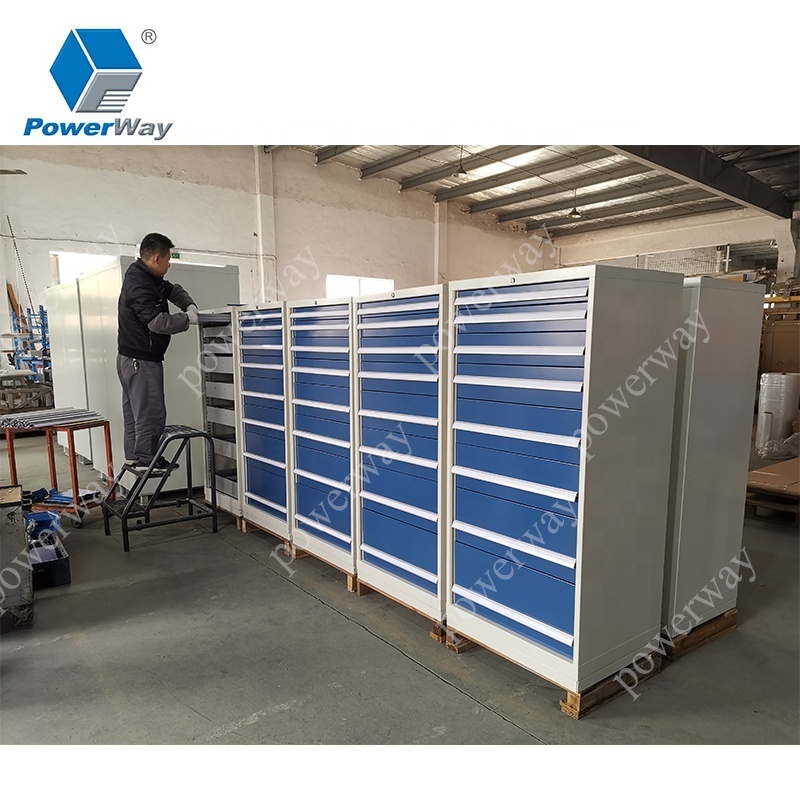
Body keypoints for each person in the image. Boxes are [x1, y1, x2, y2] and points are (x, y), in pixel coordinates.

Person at [117, 233, 200, 474]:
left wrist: (189, 304)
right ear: (156, 258)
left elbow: (172, 290)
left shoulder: (145, 276)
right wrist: (188, 319)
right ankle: (147, 459)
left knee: (134, 411)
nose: (169, 264)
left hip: (129, 357)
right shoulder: (140, 285)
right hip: (141, 360)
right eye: (168, 259)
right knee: (150, 411)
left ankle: (134, 456)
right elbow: (158, 323)